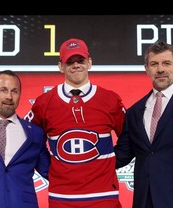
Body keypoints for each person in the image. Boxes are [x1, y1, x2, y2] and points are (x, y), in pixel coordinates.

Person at [25, 38, 126, 208]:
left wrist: (110, 164)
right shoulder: (44, 103)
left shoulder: (110, 100)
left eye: (81, 60)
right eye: (69, 61)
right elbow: (31, 141)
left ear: (90, 63)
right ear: (60, 67)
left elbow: (130, 136)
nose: (76, 65)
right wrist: (51, 171)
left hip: (104, 197)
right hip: (62, 198)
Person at [114, 40, 173, 208]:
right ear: (146, 69)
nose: (160, 69)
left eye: (166, 63)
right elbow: (121, 155)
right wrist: (81, 163)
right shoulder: (135, 111)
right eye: (154, 64)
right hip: (144, 201)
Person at [0, 70, 50, 208]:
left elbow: (50, 172)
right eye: (3, 90)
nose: (9, 97)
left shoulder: (35, 133)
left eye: (14, 91)